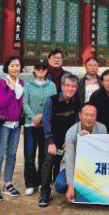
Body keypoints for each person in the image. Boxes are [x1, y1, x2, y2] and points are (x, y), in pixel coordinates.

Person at [39, 74, 81, 207]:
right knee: (49, 160)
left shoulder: (77, 101)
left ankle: (63, 187)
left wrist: (70, 140)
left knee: (67, 162)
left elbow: (77, 123)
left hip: (68, 140)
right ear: (62, 86)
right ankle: (44, 193)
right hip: (52, 139)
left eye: (73, 86)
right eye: (67, 85)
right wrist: (50, 142)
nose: (70, 89)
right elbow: (46, 123)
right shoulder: (51, 101)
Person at [0, 56, 25, 201]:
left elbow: (20, 103)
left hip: (16, 124)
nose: (15, 68)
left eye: (17, 65)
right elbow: (0, 103)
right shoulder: (1, 82)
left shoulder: (21, 82)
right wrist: (10, 90)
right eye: (12, 65)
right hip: (4, 124)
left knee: (12, 154)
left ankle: (8, 183)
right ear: (7, 67)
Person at [57, 103, 108, 204]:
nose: (89, 118)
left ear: (96, 116)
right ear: (80, 115)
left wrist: (90, 140)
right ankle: (74, 190)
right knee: (60, 185)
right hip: (75, 165)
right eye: (86, 115)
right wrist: (70, 185)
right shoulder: (71, 132)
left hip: (93, 166)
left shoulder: (102, 129)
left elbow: (102, 154)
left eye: (92, 115)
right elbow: (69, 160)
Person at [22, 58, 57, 196]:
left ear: (46, 70)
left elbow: (54, 103)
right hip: (31, 125)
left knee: (44, 155)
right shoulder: (28, 85)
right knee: (29, 155)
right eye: (38, 68)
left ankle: (43, 180)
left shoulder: (51, 85)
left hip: (46, 125)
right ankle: (30, 183)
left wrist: (43, 116)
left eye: (43, 69)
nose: (41, 71)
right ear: (34, 70)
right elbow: (25, 103)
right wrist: (33, 117)